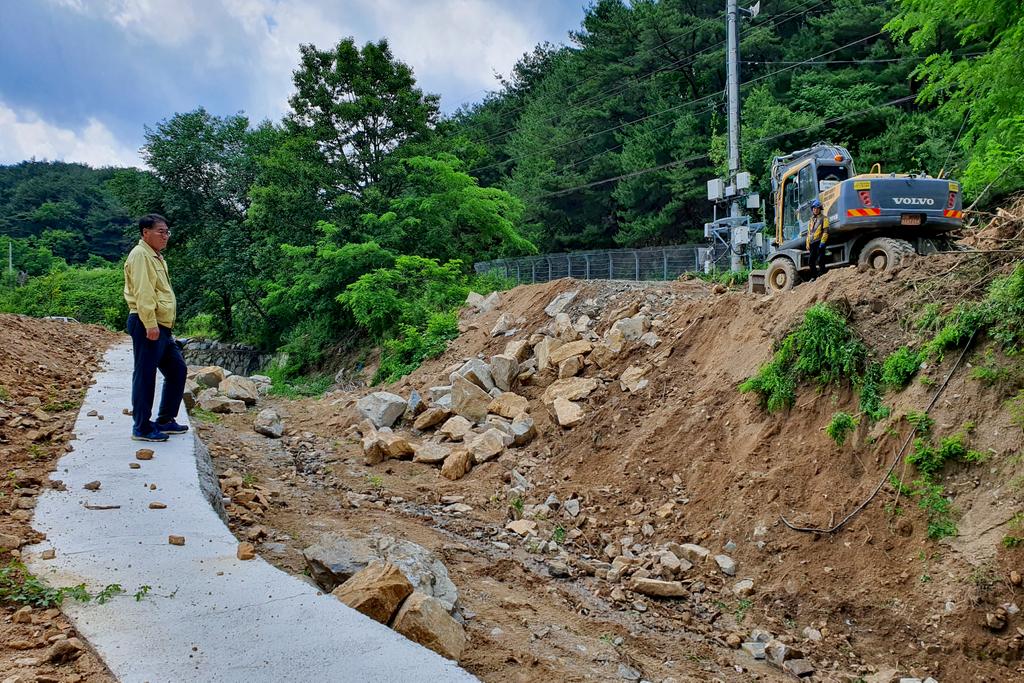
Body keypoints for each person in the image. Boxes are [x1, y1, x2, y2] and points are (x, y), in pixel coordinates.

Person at [123, 214, 188, 442]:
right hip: (146, 323)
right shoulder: (140, 255)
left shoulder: (157, 257)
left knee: (177, 370)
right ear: (145, 233)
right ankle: (141, 427)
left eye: (167, 232)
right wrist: (150, 324)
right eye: (161, 231)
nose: (165, 236)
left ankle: (165, 420)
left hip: (162, 326)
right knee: (145, 374)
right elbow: (144, 292)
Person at [805, 199, 829, 280]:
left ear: (820, 209)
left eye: (817, 208)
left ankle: (822, 276)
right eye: (814, 208)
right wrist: (807, 243)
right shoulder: (811, 219)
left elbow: (826, 231)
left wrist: (822, 242)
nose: (815, 210)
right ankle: (814, 277)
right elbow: (809, 232)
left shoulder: (824, 218)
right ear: (812, 209)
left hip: (819, 242)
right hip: (812, 243)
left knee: (820, 260)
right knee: (811, 262)